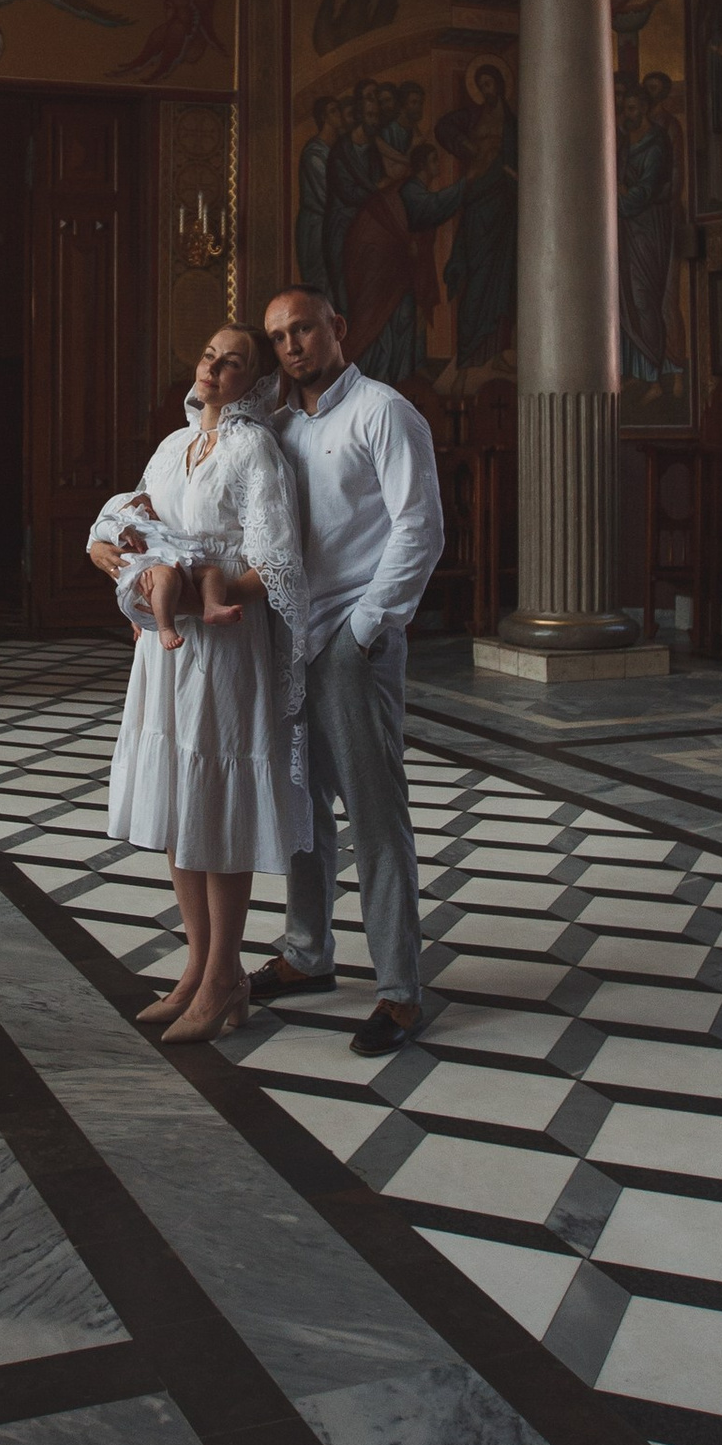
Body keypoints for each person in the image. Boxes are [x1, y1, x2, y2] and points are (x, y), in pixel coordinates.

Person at [91, 329, 310, 1045]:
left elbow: (275, 562)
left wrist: (196, 598)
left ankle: (225, 974)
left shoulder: (254, 450)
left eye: (233, 361)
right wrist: (136, 576)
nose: (214, 368)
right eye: (209, 356)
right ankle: (196, 967)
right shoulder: (169, 448)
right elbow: (140, 527)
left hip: (225, 641)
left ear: (251, 382)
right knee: (183, 802)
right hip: (168, 650)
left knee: (217, 804)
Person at [247, 287, 447, 1058]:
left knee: (373, 814)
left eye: (303, 328)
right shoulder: (280, 418)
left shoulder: (385, 413)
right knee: (300, 805)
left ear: (339, 327)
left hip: (352, 645)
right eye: (279, 337)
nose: (292, 345)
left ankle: (399, 992)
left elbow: (419, 527)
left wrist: (367, 629)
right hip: (290, 640)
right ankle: (307, 952)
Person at [86, 483, 244, 649]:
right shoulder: (123, 522)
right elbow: (99, 528)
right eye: (135, 504)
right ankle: (166, 627)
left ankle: (212, 607)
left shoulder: (158, 526)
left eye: (147, 504)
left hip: (177, 562)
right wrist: (120, 530)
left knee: (211, 572)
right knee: (167, 577)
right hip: (150, 566)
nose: (145, 507)